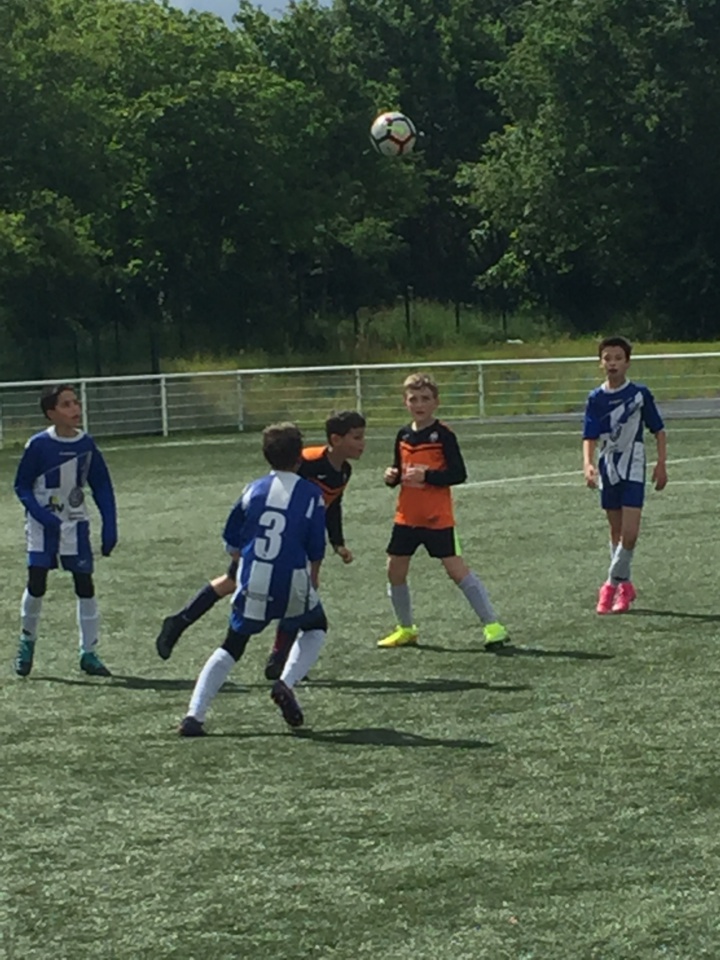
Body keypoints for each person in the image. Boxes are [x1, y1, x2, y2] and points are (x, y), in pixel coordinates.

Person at [155, 410, 365, 678]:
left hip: (294, 540)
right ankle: (179, 622)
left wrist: (337, 542)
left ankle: (279, 659)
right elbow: (277, 481)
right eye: (357, 437)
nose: (363, 443)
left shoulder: (343, 471)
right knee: (239, 582)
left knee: (291, 593)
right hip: (271, 536)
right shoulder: (309, 460)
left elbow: (331, 508)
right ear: (336, 439)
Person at [178, 422, 327, 736]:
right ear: (300, 456)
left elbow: (232, 540)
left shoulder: (253, 489)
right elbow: (315, 546)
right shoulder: (311, 494)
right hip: (292, 580)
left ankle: (194, 716)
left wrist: (246, 565)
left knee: (232, 645)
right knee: (316, 626)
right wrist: (313, 576)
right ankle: (285, 683)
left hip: (255, 579)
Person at [378, 372, 509, 649]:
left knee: (456, 570)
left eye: (425, 399)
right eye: (413, 399)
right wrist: (391, 476)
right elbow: (400, 471)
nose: (419, 404)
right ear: (405, 402)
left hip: (437, 518)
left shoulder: (444, 435)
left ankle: (493, 626)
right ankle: (406, 628)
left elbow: (459, 474)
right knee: (394, 570)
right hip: (407, 516)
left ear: (436, 402)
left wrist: (429, 477)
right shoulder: (402, 434)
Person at [13, 383, 117, 677]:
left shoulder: (86, 445)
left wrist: (110, 524)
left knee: (84, 584)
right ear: (51, 413)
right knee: (37, 583)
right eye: (67, 404)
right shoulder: (38, 445)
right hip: (42, 525)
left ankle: (89, 652)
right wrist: (40, 515)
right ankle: (27, 642)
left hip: (75, 523)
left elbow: (102, 485)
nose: (75, 409)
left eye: (76, 402)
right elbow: (21, 485)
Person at [582, 336, 667, 614]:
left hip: (634, 465)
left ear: (627, 362)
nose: (613, 363)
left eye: (618, 358)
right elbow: (590, 436)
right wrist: (588, 464)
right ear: (600, 363)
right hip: (609, 467)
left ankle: (608, 586)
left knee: (630, 534)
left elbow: (658, 430)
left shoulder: (639, 394)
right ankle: (624, 587)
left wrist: (661, 463)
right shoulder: (596, 398)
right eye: (607, 358)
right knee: (616, 532)